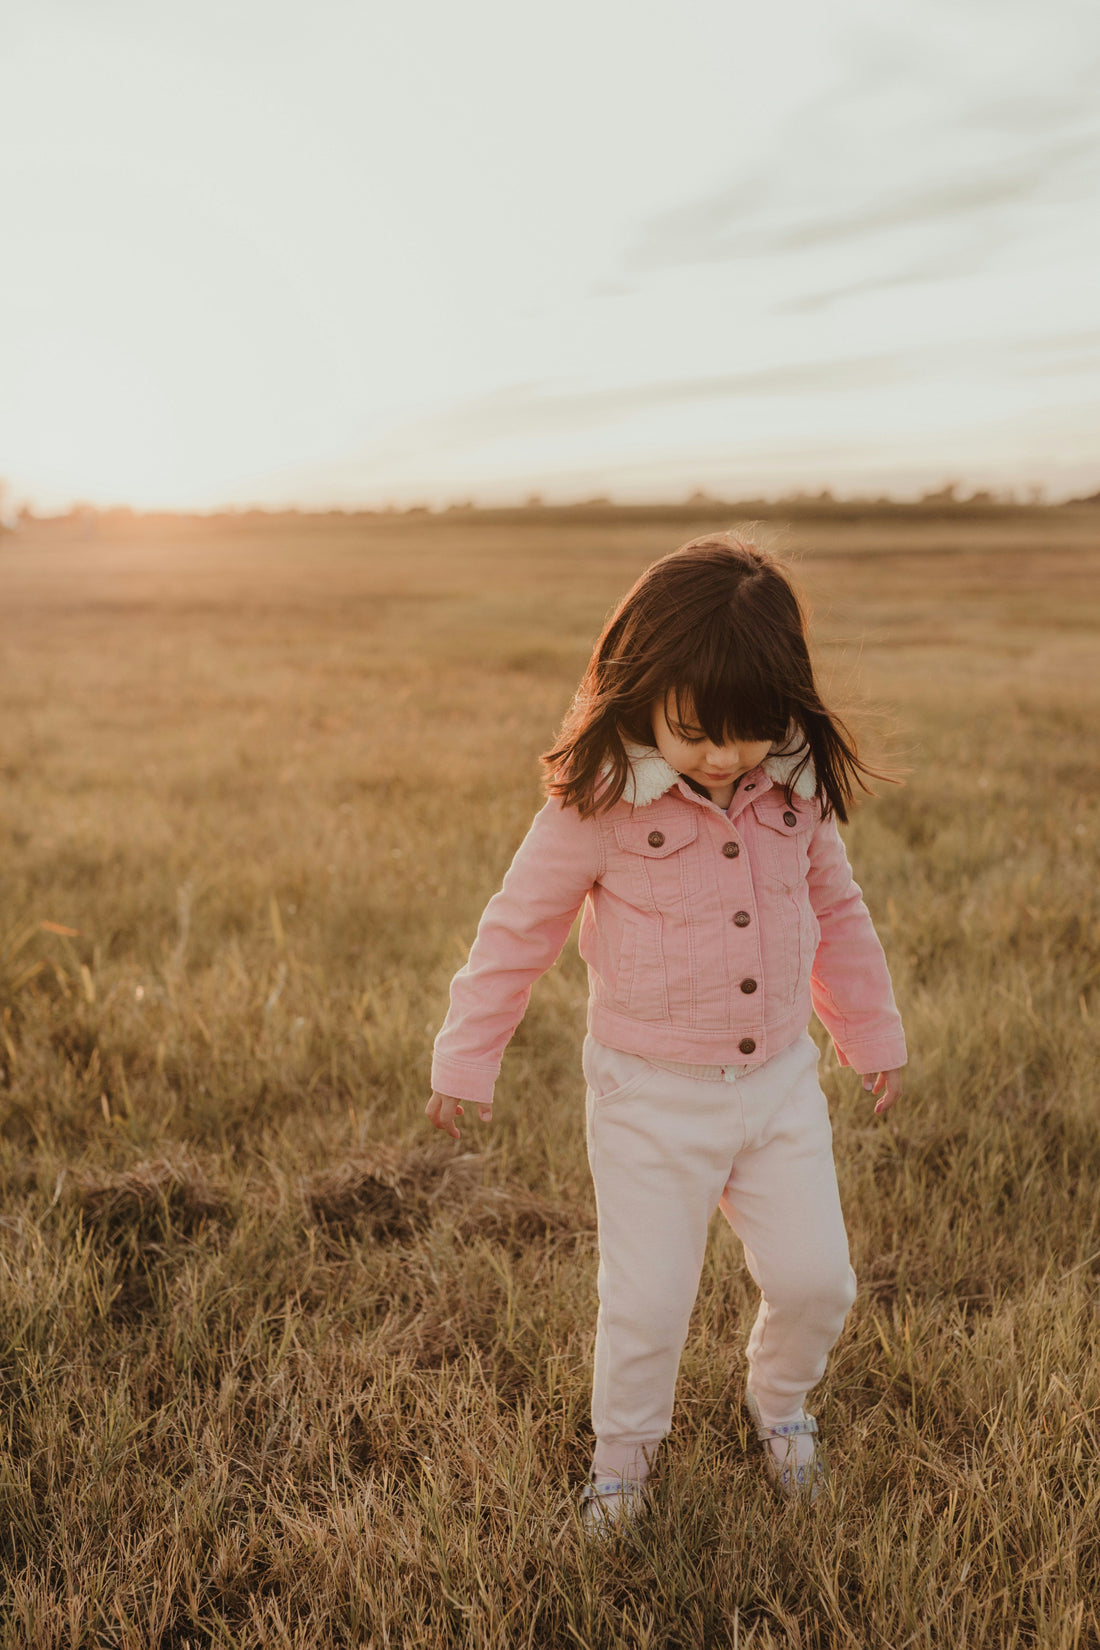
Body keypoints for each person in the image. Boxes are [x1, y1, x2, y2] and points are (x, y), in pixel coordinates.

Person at [425, 532, 906, 1535]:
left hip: (776, 1088)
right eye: (694, 731)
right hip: (647, 1097)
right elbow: (518, 929)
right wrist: (466, 1058)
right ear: (635, 689)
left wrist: (869, 1033)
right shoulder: (595, 805)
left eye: (748, 730)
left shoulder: (795, 796)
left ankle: (779, 1406)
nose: (723, 757)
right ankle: (621, 1467)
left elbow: (839, 913)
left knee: (819, 1281)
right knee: (646, 1304)